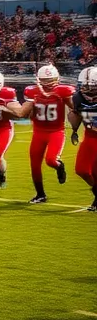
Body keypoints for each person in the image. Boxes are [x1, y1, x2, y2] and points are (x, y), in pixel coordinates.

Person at [8, 64, 74, 203]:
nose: (48, 83)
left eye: (51, 79)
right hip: (38, 132)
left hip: (56, 131)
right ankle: (40, 194)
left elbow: (76, 108)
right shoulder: (33, 92)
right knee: (35, 165)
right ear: (38, 79)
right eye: (44, 80)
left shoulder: (63, 91)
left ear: (58, 78)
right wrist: (9, 105)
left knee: (50, 160)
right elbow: (23, 113)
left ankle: (59, 166)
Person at [67, 66, 97, 211]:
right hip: (90, 136)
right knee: (82, 170)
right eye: (84, 86)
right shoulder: (77, 97)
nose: (87, 90)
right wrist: (74, 129)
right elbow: (78, 114)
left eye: (91, 87)